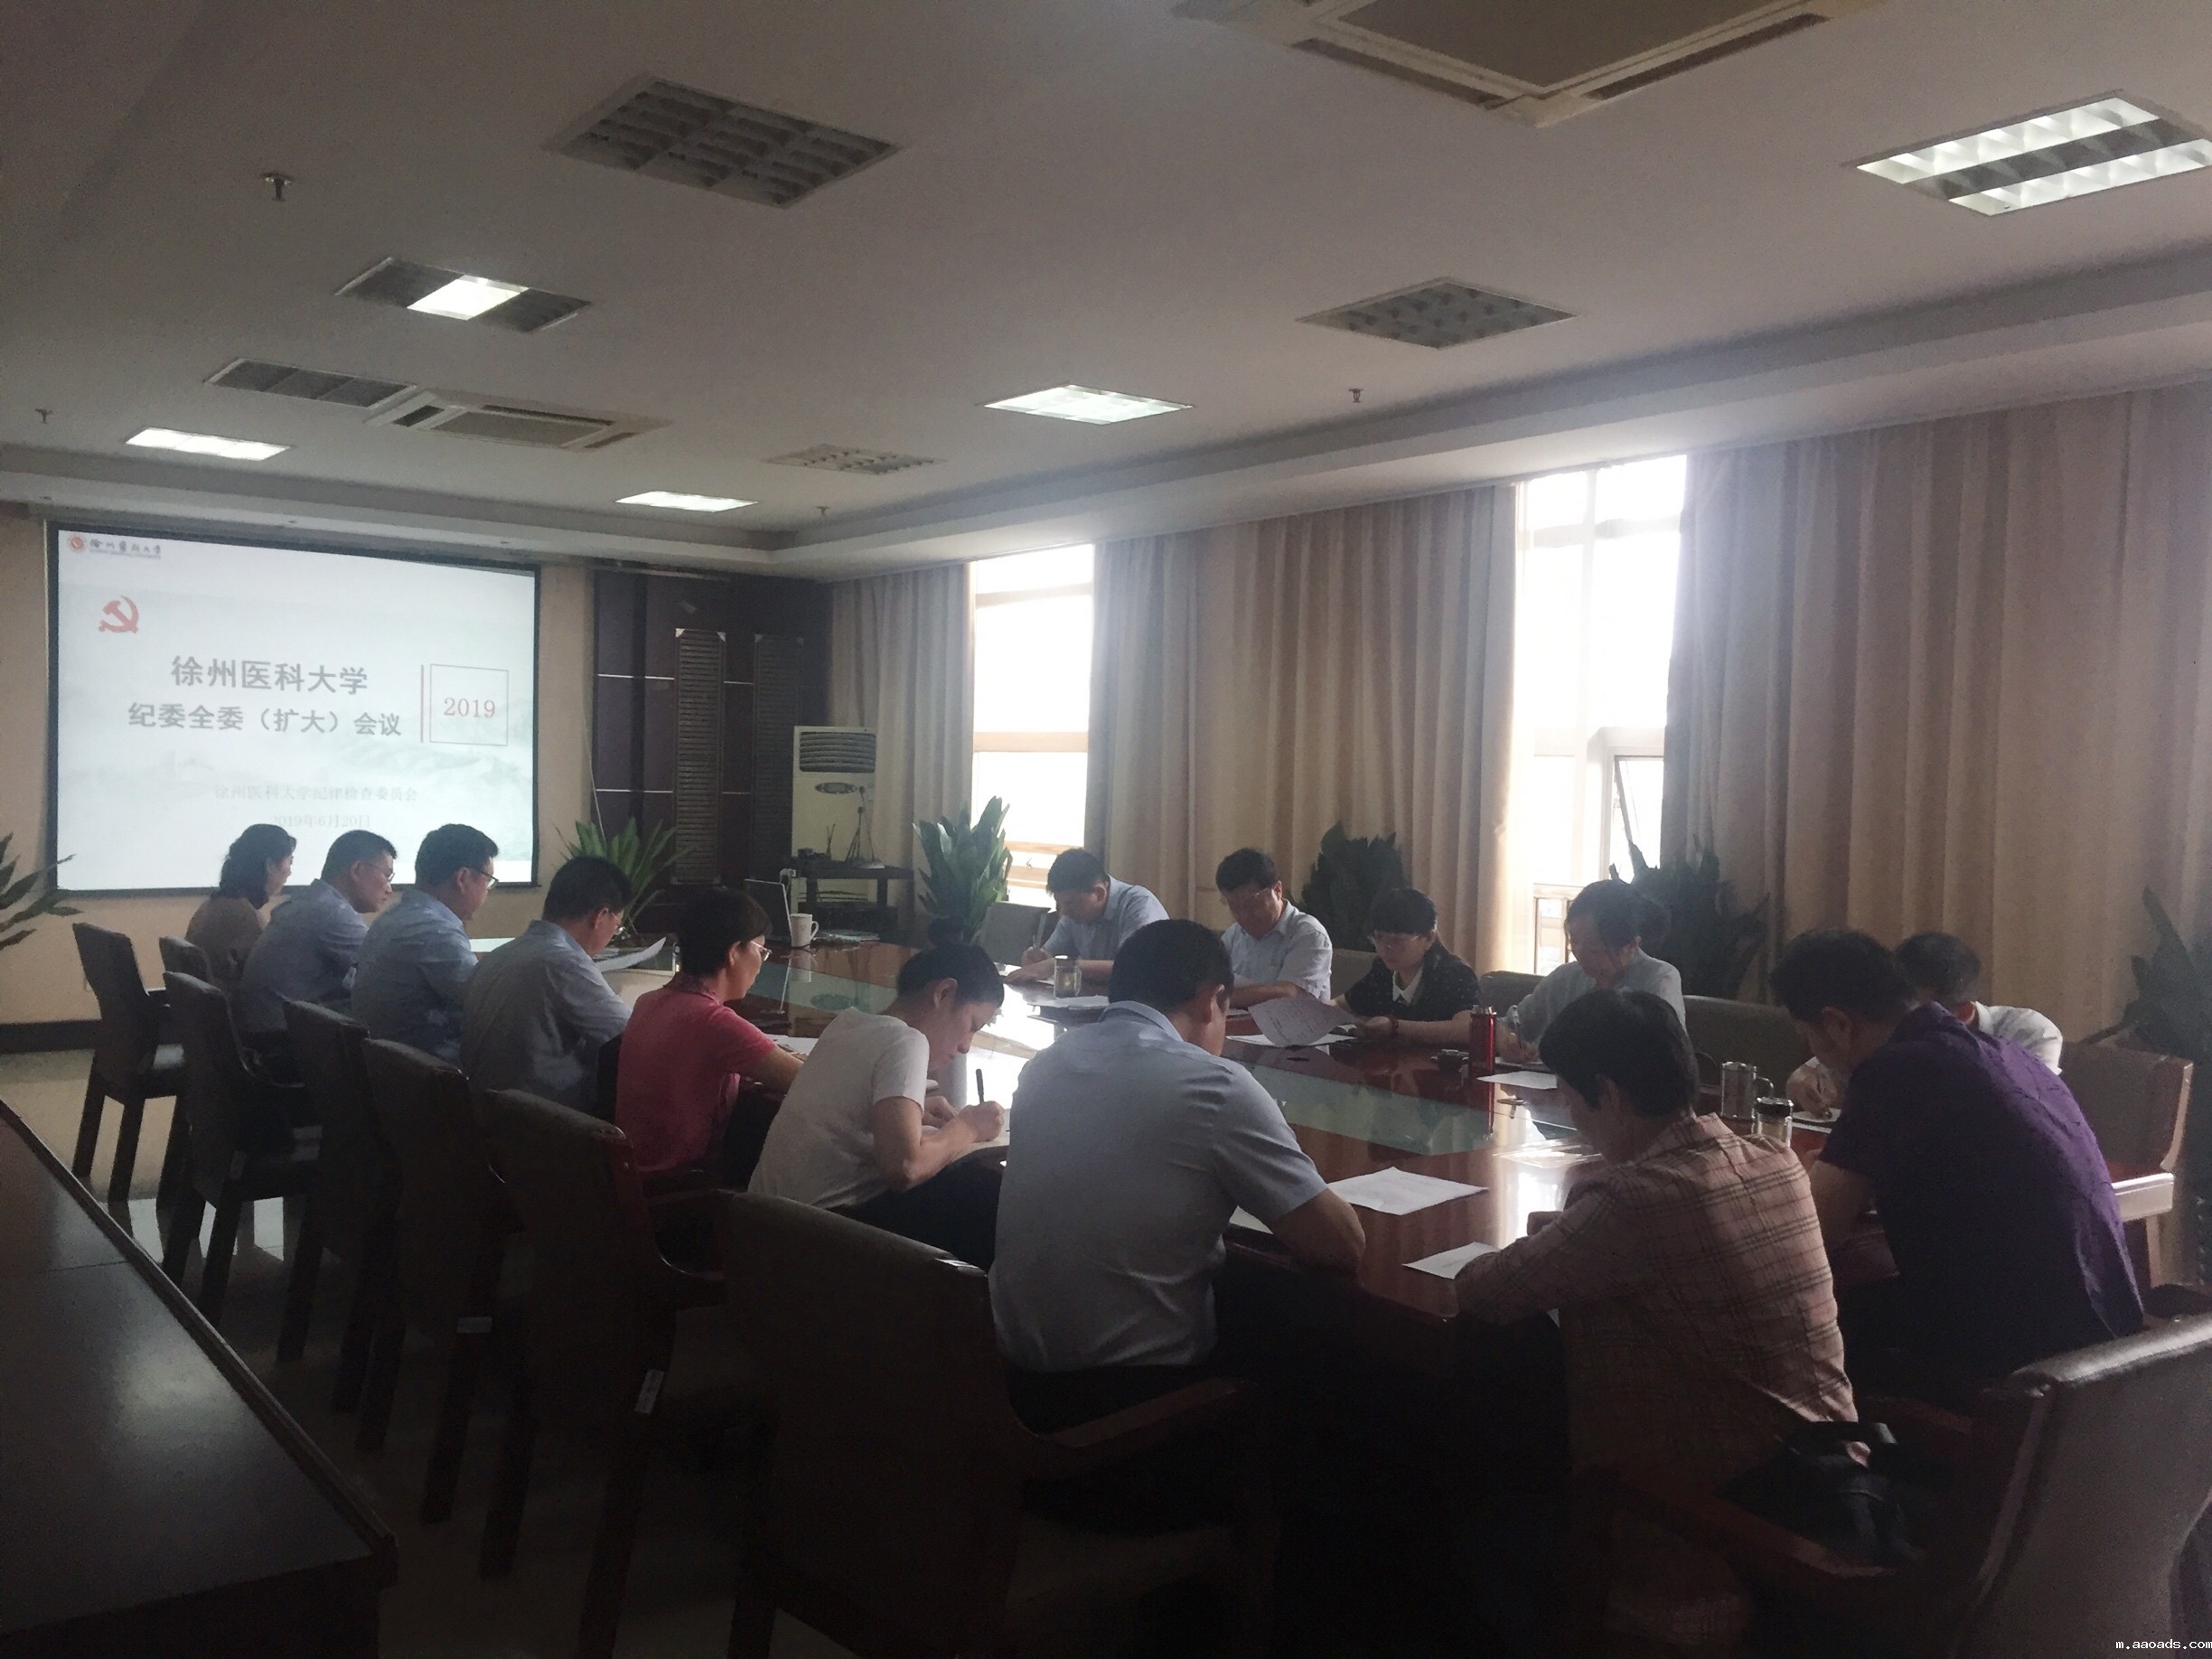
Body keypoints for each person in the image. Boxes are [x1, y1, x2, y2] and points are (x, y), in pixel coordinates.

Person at [1456, 989, 1855, 1649]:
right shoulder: (1774, 1160)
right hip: (1834, 1491)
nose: (1571, 1117)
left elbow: (1484, 1292)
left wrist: (1574, 1219)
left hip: (1713, 1541)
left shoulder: (1634, 1200)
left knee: (1486, 1475)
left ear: (1609, 1095)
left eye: (1570, 1100)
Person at [992, 919, 1364, 1424]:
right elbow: (1339, 1244)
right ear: (1212, 1001)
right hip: (1132, 1403)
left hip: (1007, 1383)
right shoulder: (1218, 1086)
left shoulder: (1047, 1063)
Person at [1773, 928, 2142, 1382]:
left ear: (1837, 1025)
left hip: (2023, 1362)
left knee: (1793, 1321)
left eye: (1807, 1036)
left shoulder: (1895, 1070)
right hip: (2102, 1340)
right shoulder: (2004, 1054)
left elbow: (1812, 1233)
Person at [748, 942, 1008, 1267]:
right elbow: (905, 1168)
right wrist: (968, 1127)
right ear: (944, 993)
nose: (967, 1046)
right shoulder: (907, 1040)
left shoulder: (848, 1023)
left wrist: (910, 1110)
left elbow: (844, 1108)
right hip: (811, 1249)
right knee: (983, 1205)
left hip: (758, 1236)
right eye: (972, 1025)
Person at [617, 888, 804, 1180]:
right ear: (734, 952)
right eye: (761, 951)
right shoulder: (714, 1023)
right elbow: (805, 1081)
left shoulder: (649, 1002)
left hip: (630, 1177)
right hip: (681, 1188)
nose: (761, 964)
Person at [1784, 930, 2064, 1116]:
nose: (1900, 1019)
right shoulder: (1886, 1037)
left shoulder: (2029, 1033)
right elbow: (1814, 1071)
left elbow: (2023, 1112)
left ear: (1963, 1012)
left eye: (1916, 1010)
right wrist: (1803, 1079)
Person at [460, 855, 633, 1113]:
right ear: (601, 915)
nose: (612, 935)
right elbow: (633, 1035)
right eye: (617, 927)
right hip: (543, 1123)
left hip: (485, 1114)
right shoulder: (564, 962)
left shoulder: (499, 956)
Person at [351, 823, 499, 1063]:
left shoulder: (394, 918)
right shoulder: (436, 931)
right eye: (488, 881)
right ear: (462, 878)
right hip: (430, 1072)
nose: (487, 891)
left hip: (388, 1066)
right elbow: (489, 1007)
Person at [235, 829, 397, 1043]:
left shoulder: (308, 900)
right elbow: (392, 976)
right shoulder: (332, 912)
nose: (389, 889)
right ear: (357, 871)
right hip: (285, 1043)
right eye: (387, 876)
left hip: (265, 1032)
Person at [1498, 878, 1682, 1062]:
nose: (1580, 955)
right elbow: (1510, 1025)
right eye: (1574, 941)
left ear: (1632, 945)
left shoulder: (1658, 979)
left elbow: (1662, 1059)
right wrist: (1508, 1041)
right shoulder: (1565, 979)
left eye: (1594, 949)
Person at [1337, 886, 1482, 1045]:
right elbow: (1340, 1004)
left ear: (1428, 938)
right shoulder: (1382, 970)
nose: (1385, 948)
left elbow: (1468, 1028)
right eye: (1379, 938)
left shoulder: (1455, 974)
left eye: (1397, 941)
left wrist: (1395, 1027)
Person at [1008, 848, 1167, 985]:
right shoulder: (1072, 915)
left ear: (1099, 893)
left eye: (1070, 904)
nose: (1064, 912)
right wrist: (1037, 962)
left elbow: (1132, 968)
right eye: (1059, 904)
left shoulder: (1140, 905)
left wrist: (1057, 965)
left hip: (1146, 1003)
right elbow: (1048, 957)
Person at [1214, 846, 1333, 1008]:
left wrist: (1222, 999)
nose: (1244, 915)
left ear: (1277, 890)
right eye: (1234, 906)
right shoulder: (1233, 935)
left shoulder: (1308, 934)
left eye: (1251, 904)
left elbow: (1288, 995)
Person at [185, 823, 295, 989]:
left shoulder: (214, 903)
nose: (290, 871)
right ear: (270, 866)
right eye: (289, 862)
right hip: (234, 1004)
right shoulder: (244, 916)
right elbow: (271, 977)